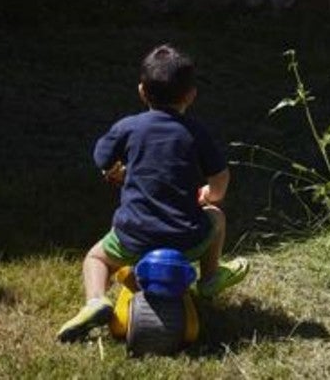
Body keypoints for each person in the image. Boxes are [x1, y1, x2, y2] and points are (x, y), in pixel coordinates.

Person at [57, 44, 249, 342]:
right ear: (191, 95)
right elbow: (221, 176)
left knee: (95, 258)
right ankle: (210, 277)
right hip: (187, 240)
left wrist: (114, 171)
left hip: (133, 237)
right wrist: (211, 195)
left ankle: (95, 300)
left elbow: (101, 156)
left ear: (142, 92)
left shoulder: (128, 127)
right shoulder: (196, 132)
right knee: (217, 217)